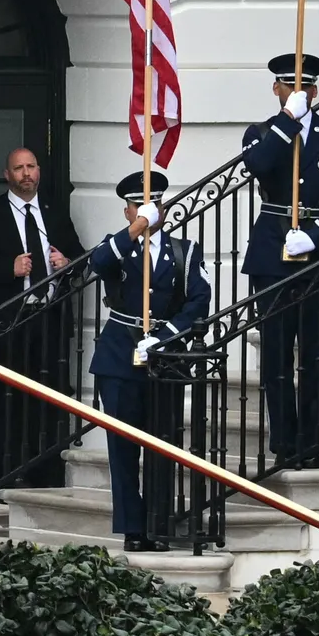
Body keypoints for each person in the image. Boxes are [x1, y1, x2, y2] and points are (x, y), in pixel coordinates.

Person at [241, 53, 319, 471]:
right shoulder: (260, 132)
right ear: (277, 90)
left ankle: (310, 441)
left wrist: (316, 235)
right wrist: (287, 121)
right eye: (289, 87)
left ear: (315, 90)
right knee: (276, 354)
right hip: (272, 253)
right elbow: (258, 165)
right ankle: (283, 440)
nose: (299, 93)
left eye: (305, 87)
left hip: (318, 254)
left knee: (314, 354)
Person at [88, 166, 211, 549]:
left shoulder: (183, 252)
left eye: (155, 202)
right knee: (122, 447)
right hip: (119, 357)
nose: (149, 209)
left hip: (162, 358)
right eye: (140, 205)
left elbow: (199, 300)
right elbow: (98, 263)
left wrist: (162, 337)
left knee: (162, 443)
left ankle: (159, 523)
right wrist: (138, 228)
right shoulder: (119, 246)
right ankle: (133, 528)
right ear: (127, 211)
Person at [0, 144, 78, 492]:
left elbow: (81, 254)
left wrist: (66, 263)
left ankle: (46, 473)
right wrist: (7, 269)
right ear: (7, 175)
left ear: (39, 171)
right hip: (9, 323)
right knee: (7, 399)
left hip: (50, 318)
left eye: (31, 166)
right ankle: (4, 471)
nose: (27, 174)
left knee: (49, 396)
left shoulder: (54, 213)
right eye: (19, 168)